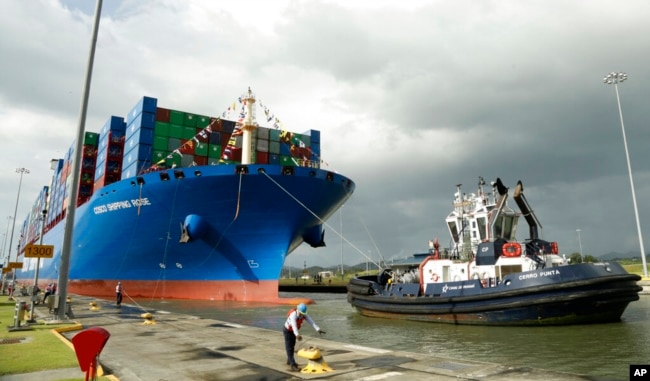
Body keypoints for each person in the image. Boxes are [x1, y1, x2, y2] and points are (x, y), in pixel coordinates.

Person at [283, 303, 325, 372]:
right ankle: (292, 365)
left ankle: (289, 360)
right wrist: (297, 335)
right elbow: (294, 325)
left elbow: (311, 321)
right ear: (298, 310)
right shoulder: (293, 314)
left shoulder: (303, 314)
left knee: (292, 345)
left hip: (293, 332)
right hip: (287, 330)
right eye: (301, 313)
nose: (301, 315)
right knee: (289, 347)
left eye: (303, 313)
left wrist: (318, 329)